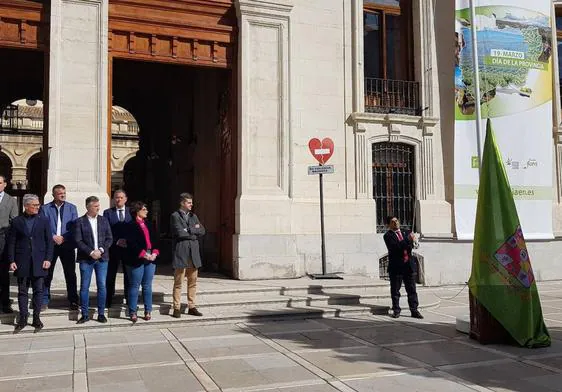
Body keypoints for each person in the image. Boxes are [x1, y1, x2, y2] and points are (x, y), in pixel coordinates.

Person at [7, 194, 53, 330]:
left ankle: (36, 317)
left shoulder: (43, 220)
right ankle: (23, 317)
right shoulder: (16, 221)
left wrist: (48, 259)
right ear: (26, 206)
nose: (37, 207)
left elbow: (49, 241)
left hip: (39, 261)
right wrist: (11, 260)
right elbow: (12, 243)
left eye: (38, 205)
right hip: (22, 261)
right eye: (34, 205)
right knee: (22, 291)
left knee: (38, 290)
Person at [74, 196, 113, 324]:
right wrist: (91, 252)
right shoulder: (80, 221)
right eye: (95, 206)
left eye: (98, 205)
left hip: (102, 258)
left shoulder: (104, 220)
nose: (98, 208)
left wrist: (100, 250)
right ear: (88, 207)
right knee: (84, 287)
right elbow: (78, 241)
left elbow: (109, 238)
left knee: (102, 285)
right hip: (86, 259)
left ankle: (101, 313)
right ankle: (84, 314)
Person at [41, 184, 79, 310]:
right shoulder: (45, 208)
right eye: (59, 193)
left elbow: (74, 227)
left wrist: (64, 237)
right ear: (54, 195)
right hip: (50, 245)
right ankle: (44, 300)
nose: (63, 195)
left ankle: (73, 300)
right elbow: (42, 226)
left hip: (67, 244)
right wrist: (52, 236)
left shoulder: (72, 208)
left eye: (64, 192)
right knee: (47, 273)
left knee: (70, 273)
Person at [170, 193, 205, 318]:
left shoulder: (193, 216)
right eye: (189, 202)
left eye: (191, 202)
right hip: (181, 252)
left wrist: (189, 230)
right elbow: (179, 233)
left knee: (193, 282)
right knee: (178, 282)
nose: (191, 204)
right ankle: (176, 307)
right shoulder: (175, 216)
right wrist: (193, 230)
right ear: (182, 203)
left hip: (193, 254)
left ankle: (192, 306)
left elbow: (202, 230)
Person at [124, 201, 159, 323]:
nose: (147, 211)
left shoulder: (149, 224)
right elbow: (132, 244)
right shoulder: (130, 225)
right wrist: (145, 255)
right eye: (144, 209)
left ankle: (148, 310)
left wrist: (154, 253)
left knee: (147, 285)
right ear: (137, 211)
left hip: (151, 257)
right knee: (134, 285)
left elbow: (155, 239)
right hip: (136, 258)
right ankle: (132, 311)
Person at [383, 215, 423, 319]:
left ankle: (414, 310)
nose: (395, 223)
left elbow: (413, 245)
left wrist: (414, 241)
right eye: (392, 222)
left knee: (412, 289)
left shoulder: (406, 232)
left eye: (396, 220)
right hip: (396, 267)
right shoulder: (388, 236)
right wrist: (407, 240)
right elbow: (395, 248)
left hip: (408, 265)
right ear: (388, 225)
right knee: (395, 290)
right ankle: (396, 310)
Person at [103, 189, 131, 308]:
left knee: (129, 275)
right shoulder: (108, 213)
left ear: (125, 199)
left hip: (128, 249)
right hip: (113, 248)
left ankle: (129, 299)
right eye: (116, 197)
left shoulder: (131, 212)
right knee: (110, 275)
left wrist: (127, 241)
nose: (118, 199)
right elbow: (106, 230)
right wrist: (117, 241)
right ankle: (108, 299)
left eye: (120, 197)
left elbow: (134, 229)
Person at [0, 175, 18, 313]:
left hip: (3, 239)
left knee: (3, 272)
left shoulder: (11, 200)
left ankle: (5, 302)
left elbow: (14, 221)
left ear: (5, 184)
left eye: (0, 183)